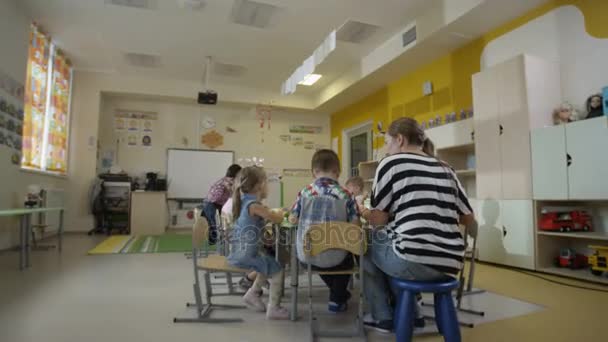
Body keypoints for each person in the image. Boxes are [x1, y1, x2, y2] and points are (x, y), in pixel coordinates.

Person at [360, 117, 476, 334]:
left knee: (367, 244)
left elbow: (378, 220)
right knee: (395, 247)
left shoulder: (391, 163)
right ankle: (414, 313)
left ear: (400, 139)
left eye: (387, 142)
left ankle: (383, 316)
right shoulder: (446, 168)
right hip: (451, 263)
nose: (387, 148)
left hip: (413, 260)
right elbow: (468, 219)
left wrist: (363, 211)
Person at [289, 149, 360, 313]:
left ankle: (339, 295)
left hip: (307, 255)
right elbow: (355, 227)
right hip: (336, 257)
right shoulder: (346, 194)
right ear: (337, 172)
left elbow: (293, 218)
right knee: (348, 258)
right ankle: (337, 298)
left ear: (314, 172)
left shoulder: (304, 192)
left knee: (318, 258)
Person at [226, 166, 289, 320]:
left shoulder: (248, 203)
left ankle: (252, 294)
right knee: (278, 270)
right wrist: (283, 212)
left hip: (242, 253)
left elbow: (259, 227)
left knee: (268, 263)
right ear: (260, 185)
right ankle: (274, 308)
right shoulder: (254, 206)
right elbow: (277, 219)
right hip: (246, 255)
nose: (268, 186)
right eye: (266, 183)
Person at [202, 164, 241, 244]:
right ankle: (219, 240)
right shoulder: (225, 183)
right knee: (217, 222)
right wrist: (229, 189)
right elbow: (214, 199)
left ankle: (222, 240)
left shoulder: (232, 181)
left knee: (224, 220)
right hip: (211, 203)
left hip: (219, 204)